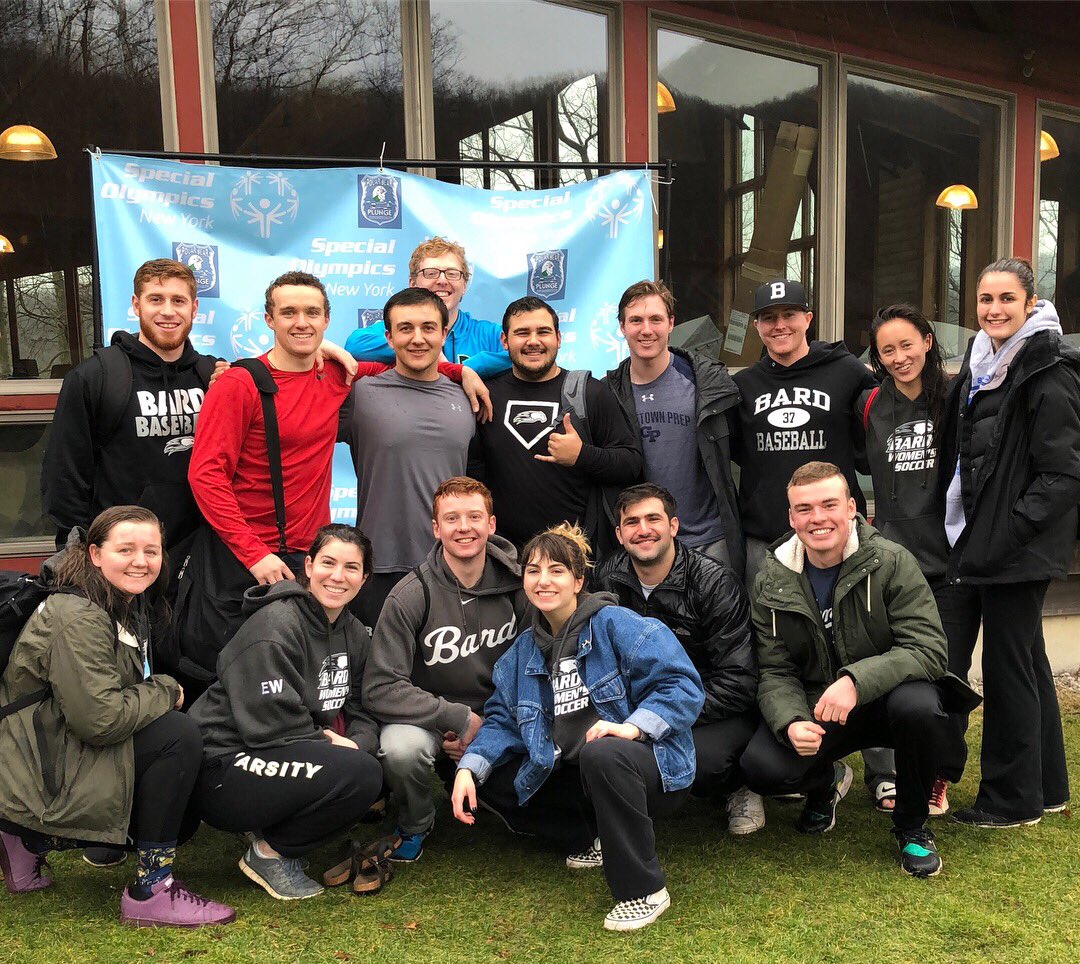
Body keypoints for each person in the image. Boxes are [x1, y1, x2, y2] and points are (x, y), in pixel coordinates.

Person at [185, 272, 485, 678]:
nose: (301, 322)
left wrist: (459, 372)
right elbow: (206, 477)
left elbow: (405, 364)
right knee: (235, 676)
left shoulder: (337, 377)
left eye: (311, 312)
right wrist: (253, 553)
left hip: (309, 559)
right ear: (268, 319)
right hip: (245, 560)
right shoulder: (239, 384)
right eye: (288, 312)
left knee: (299, 675)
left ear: (327, 320)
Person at [451, 523, 704, 932]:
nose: (543, 580)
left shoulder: (616, 624)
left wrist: (633, 728)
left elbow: (682, 686)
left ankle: (644, 890)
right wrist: (469, 766)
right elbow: (502, 718)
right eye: (533, 571)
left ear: (578, 580)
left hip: (647, 770)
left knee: (602, 751)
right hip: (577, 773)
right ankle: (595, 836)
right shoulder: (522, 651)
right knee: (488, 773)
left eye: (556, 570)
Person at [0, 506, 235, 927]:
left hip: (45, 744)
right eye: (125, 549)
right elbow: (101, 720)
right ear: (94, 554)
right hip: (38, 763)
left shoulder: (120, 601)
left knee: (178, 764)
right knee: (177, 735)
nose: (141, 561)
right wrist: (164, 689)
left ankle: (24, 839)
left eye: (152, 550)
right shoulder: (79, 616)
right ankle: (151, 890)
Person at [740, 462, 963, 879]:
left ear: (851, 508)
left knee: (919, 707)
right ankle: (824, 784)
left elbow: (929, 650)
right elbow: (774, 669)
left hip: (887, 700)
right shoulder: (772, 576)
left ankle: (912, 827)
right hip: (819, 706)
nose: (817, 518)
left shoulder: (892, 561)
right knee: (762, 767)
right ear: (791, 518)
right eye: (804, 509)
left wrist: (855, 681)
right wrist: (790, 721)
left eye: (828, 505)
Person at [729, 278, 893, 809]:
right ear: (756, 326)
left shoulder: (848, 373)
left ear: (808, 318)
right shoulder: (743, 385)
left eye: (790, 314)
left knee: (864, 639)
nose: (780, 325)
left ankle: (883, 768)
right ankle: (796, 753)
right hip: (766, 538)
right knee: (776, 652)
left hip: (836, 535)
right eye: (768, 317)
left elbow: (881, 439)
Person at [940, 257, 1079, 828]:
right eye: (985, 300)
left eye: (1005, 300)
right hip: (990, 540)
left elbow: (1064, 473)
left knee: (1005, 669)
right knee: (1027, 662)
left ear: (1030, 303)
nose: (994, 310)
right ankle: (1046, 789)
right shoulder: (983, 365)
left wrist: (1011, 530)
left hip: (1017, 549)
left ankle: (1009, 800)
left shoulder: (1046, 370)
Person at [188, 524, 384, 900]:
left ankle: (269, 834)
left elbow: (362, 704)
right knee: (360, 776)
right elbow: (269, 723)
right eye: (328, 562)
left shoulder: (354, 633)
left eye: (351, 567)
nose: (338, 576)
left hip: (281, 752)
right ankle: (269, 853)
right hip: (222, 764)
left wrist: (357, 742)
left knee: (364, 762)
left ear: (365, 577)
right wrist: (331, 746)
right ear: (308, 566)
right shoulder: (276, 622)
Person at [362, 477, 527, 861]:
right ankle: (416, 822)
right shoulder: (411, 593)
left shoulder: (521, 586)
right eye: (451, 518)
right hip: (431, 716)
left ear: (492, 524)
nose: (464, 527)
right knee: (401, 749)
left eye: (474, 516)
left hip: (500, 713)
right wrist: (453, 718)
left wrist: (490, 725)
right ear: (436, 529)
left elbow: (537, 666)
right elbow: (380, 686)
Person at [593, 483, 762, 834]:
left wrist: (662, 715)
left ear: (673, 526)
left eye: (653, 518)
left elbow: (738, 680)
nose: (643, 530)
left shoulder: (715, 582)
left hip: (710, 707)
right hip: (636, 705)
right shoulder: (607, 578)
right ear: (619, 534)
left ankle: (738, 785)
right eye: (632, 522)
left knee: (704, 764)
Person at [42, 258, 222, 555]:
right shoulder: (96, 377)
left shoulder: (212, 376)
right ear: (136, 305)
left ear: (194, 308)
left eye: (178, 300)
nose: (167, 311)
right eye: (156, 299)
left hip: (197, 562)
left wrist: (320, 348)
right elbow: (64, 476)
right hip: (122, 561)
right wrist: (77, 554)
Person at [860, 304, 957, 816]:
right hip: (893, 561)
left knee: (947, 673)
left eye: (907, 345)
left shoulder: (956, 398)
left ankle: (939, 773)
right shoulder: (871, 403)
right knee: (893, 669)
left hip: (950, 559)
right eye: (887, 350)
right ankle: (888, 771)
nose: (899, 358)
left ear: (927, 339)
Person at [342, 288, 480, 628]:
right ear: (388, 336)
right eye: (405, 328)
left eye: (428, 328)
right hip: (379, 567)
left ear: (444, 333)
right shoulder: (359, 393)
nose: (417, 339)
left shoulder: (470, 398)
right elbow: (297, 372)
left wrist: (465, 372)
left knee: (445, 680)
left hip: (452, 563)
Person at [470, 297, 642, 559]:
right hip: (502, 558)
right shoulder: (485, 395)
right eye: (522, 333)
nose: (533, 341)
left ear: (559, 338)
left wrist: (582, 455)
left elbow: (631, 464)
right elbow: (474, 475)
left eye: (543, 332)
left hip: (575, 559)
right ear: (505, 341)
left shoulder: (592, 393)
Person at [604, 280, 744, 575]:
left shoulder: (706, 382)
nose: (646, 330)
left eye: (655, 319)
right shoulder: (607, 394)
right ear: (622, 327)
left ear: (670, 323)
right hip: (645, 544)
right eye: (636, 320)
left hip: (710, 540)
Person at [345, 236, 511, 376]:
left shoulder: (488, 334)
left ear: (464, 286)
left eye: (452, 274)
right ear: (413, 283)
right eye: (431, 273)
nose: (442, 280)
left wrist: (465, 369)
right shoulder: (398, 329)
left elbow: (521, 354)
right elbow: (355, 345)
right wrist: (436, 354)